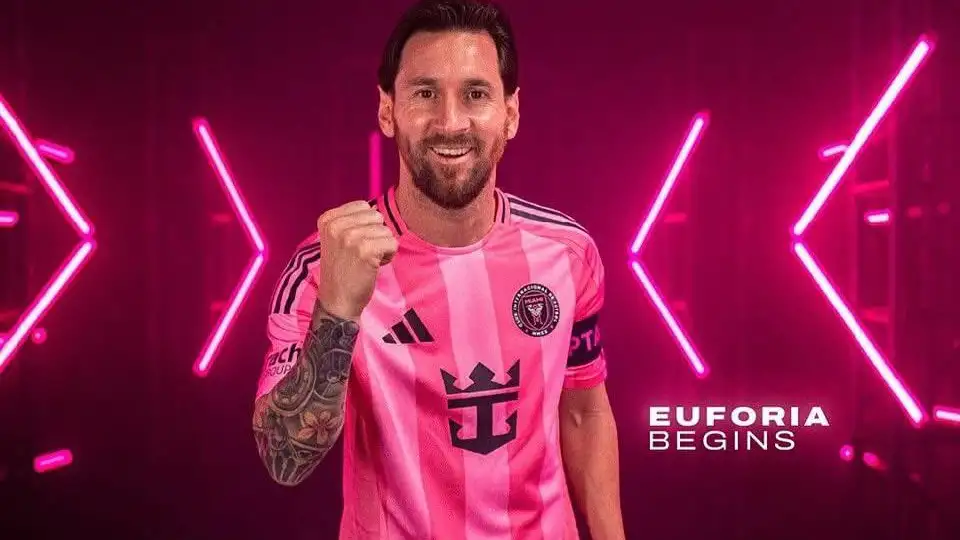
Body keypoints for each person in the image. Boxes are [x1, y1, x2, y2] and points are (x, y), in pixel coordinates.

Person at [252, 1, 625, 538]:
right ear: (388, 110)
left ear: (511, 112)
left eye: (476, 94)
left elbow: (584, 415)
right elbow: (283, 459)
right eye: (425, 93)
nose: (451, 123)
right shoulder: (322, 265)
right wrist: (338, 311)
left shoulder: (567, 252)